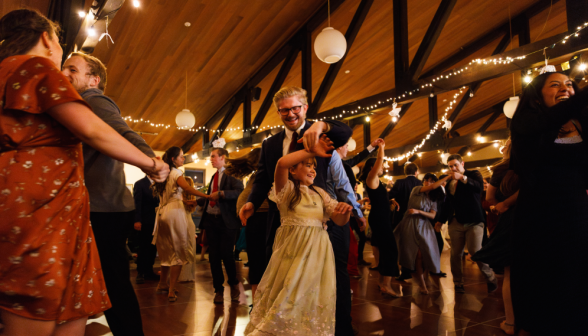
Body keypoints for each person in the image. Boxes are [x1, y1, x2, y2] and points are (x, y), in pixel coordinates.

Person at [0, 9, 168, 336]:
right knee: (41, 313)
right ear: (47, 38)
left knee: (69, 310)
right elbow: (94, 131)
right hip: (43, 213)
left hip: (53, 210)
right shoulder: (34, 66)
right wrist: (153, 164)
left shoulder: (6, 73)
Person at [61, 51, 166, 336]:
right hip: (98, 207)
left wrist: (151, 163)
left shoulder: (94, 100)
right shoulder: (72, 104)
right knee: (98, 281)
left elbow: (123, 131)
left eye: (73, 69)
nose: (65, 73)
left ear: (93, 80)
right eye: (64, 68)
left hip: (102, 209)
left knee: (112, 283)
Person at [239, 86, 353, 335]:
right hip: (283, 218)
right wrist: (252, 202)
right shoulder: (270, 144)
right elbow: (263, 178)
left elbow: (346, 131)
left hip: (319, 214)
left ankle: (339, 329)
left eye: (295, 108)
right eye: (284, 110)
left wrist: (320, 125)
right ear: (278, 112)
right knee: (284, 277)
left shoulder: (321, 134)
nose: (290, 114)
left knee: (331, 278)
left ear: (305, 108)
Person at [509, 71, 588, 335]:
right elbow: (550, 122)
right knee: (542, 278)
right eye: (555, 85)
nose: (565, 87)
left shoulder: (582, 123)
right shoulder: (527, 123)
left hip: (577, 211)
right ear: (537, 97)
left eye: (569, 84)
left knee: (576, 276)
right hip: (539, 214)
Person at [471, 139, 518, 335]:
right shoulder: (537, 163)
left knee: (510, 274)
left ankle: (510, 322)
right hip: (538, 216)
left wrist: (504, 203)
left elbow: (490, 198)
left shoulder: (500, 169)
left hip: (511, 221)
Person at [151, 147, 208, 302]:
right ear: (173, 159)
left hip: (162, 213)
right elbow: (187, 188)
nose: (183, 159)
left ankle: (162, 284)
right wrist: (206, 195)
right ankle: (171, 290)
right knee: (178, 250)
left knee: (165, 251)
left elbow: (171, 194)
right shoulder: (176, 173)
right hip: (175, 213)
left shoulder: (162, 174)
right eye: (181, 157)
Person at [441, 154, 497, 294]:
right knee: (455, 254)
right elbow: (448, 202)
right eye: (450, 166)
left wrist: (463, 178)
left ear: (462, 163)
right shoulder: (449, 182)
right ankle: (458, 283)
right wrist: (440, 220)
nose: (453, 168)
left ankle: (490, 278)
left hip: (474, 220)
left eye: (455, 165)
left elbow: (479, 188)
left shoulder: (474, 174)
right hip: (455, 221)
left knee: (475, 251)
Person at [200, 147, 245, 304]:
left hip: (226, 221)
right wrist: (198, 200)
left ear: (223, 157)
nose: (211, 159)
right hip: (212, 220)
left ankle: (233, 285)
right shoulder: (214, 176)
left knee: (227, 255)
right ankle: (218, 289)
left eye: (213, 156)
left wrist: (222, 194)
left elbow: (240, 192)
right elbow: (211, 196)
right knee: (213, 257)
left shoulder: (232, 173)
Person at [394, 173, 449, 294]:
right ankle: (422, 284)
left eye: (430, 181)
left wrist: (419, 211)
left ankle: (425, 275)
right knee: (417, 255)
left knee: (428, 252)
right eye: (426, 180)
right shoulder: (416, 189)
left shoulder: (433, 198)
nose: (427, 183)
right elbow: (432, 188)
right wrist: (447, 177)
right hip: (410, 224)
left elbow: (433, 215)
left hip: (425, 225)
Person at [359, 141, 400, 298]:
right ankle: (386, 285)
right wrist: (381, 148)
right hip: (380, 219)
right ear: (373, 167)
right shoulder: (372, 178)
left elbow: (379, 199)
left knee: (385, 251)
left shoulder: (375, 182)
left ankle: (382, 282)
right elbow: (379, 161)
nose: (383, 168)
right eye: (380, 166)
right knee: (391, 251)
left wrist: (390, 201)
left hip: (380, 217)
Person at [227, 148, 269, 301]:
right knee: (257, 262)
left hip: (263, 217)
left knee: (260, 262)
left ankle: (261, 301)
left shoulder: (266, 174)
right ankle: (257, 301)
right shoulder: (257, 175)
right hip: (255, 219)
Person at [336, 138, 382, 266]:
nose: (348, 149)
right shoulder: (338, 165)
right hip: (341, 210)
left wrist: (372, 146)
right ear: (339, 147)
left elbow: (357, 158)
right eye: (346, 146)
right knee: (344, 245)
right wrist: (358, 214)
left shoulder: (342, 164)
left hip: (345, 209)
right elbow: (346, 192)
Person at [388, 162, 422, 281]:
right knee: (416, 242)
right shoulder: (420, 183)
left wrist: (392, 200)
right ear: (416, 172)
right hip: (418, 216)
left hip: (401, 216)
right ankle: (415, 267)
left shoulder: (400, 182)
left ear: (405, 172)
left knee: (402, 243)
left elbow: (390, 195)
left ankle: (405, 271)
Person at [133, 175, 161, 284]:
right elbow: (137, 203)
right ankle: (140, 272)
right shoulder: (140, 183)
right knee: (143, 246)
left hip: (156, 220)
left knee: (152, 247)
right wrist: (137, 220)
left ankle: (149, 271)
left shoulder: (159, 184)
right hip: (144, 220)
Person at [178, 176, 198, 282]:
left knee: (180, 249)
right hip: (189, 223)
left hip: (181, 222)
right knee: (189, 249)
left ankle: (181, 274)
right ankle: (188, 274)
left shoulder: (179, 197)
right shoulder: (191, 198)